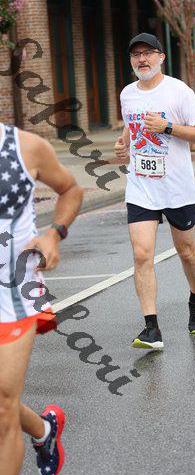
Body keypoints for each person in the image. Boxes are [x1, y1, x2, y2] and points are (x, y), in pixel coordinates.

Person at [114, 33, 195, 350]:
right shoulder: (127, 94)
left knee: (186, 252)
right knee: (142, 255)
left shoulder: (179, 91)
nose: (142, 59)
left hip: (177, 187)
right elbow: (130, 125)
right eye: (136, 55)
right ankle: (151, 329)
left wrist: (167, 127)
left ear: (161, 57)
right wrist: (123, 144)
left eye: (148, 53)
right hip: (141, 187)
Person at [0, 123, 83, 475]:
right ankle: (44, 430)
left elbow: (71, 189)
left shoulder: (25, 147)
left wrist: (54, 234)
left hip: (13, 295)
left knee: (3, 405)